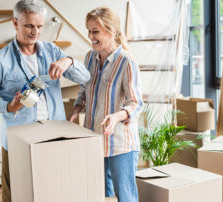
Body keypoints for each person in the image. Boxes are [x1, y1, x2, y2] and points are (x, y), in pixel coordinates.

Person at [0, 0, 90, 201]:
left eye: (39, 26)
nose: (35, 32)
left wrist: (68, 61)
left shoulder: (52, 51)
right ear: (15, 23)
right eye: (29, 25)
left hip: (55, 136)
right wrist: (8, 106)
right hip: (19, 140)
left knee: (54, 191)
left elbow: (84, 77)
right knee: (16, 195)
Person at [70, 7, 143, 202]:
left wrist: (116, 116)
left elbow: (135, 103)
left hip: (120, 144)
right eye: (88, 30)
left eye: (95, 32)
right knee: (100, 195)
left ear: (112, 32)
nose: (90, 36)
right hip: (94, 140)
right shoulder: (89, 58)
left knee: (125, 197)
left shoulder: (127, 62)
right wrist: (77, 109)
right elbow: (85, 90)